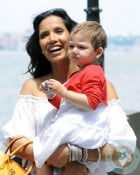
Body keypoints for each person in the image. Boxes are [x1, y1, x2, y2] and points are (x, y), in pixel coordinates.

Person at [2, 8, 136, 175]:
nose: (52, 39)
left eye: (59, 31)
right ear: (41, 48)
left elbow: (126, 155)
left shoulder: (104, 87)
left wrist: (78, 155)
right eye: (44, 35)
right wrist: (52, 156)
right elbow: (13, 141)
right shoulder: (32, 87)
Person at [34, 20, 108, 175]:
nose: (74, 50)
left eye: (81, 47)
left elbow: (91, 103)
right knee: (42, 155)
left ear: (98, 52)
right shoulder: (79, 73)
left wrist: (64, 91)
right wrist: (51, 94)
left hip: (82, 129)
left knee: (41, 153)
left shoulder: (94, 71)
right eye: (72, 46)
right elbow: (66, 104)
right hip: (75, 127)